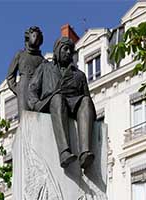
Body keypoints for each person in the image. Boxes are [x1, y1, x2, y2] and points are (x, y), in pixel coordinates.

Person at [28, 37, 96, 169]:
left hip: (73, 103)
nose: (68, 52)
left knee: (86, 100)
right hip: (50, 103)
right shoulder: (45, 67)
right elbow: (32, 89)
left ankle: (85, 153)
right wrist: (36, 104)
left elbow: (86, 96)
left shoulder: (79, 75)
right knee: (58, 98)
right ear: (57, 50)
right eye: (65, 49)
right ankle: (64, 152)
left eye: (70, 50)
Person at [7, 26, 46, 115]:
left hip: (37, 90)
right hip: (24, 86)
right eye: (34, 36)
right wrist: (18, 90)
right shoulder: (20, 54)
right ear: (28, 37)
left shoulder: (42, 59)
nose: (36, 39)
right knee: (24, 116)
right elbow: (10, 76)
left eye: (38, 37)